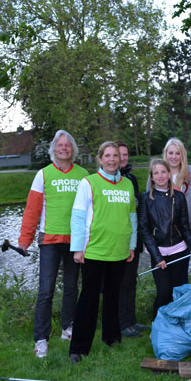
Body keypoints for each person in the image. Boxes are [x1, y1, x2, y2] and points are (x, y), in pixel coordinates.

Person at [18, 130, 88, 358]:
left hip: (75, 240)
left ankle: (68, 328)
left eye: (68, 145)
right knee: (46, 291)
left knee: (71, 288)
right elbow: (32, 210)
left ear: (73, 149)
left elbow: (91, 212)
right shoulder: (43, 175)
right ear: (54, 149)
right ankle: (41, 340)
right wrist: (24, 241)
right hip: (49, 240)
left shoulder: (84, 175)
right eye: (60, 145)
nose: (64, 148)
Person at [68, 141, 137, 363]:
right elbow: (78, 216)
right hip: (94, 251)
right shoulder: (88, 183)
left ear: (120, 159)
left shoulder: (127, 185)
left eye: (115, 155)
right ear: (100, 159)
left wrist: (132, 245)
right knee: (88, 299)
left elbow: (132, 218)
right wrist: (78, 248)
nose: (111, 159)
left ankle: (112, 338)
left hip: (119, 250)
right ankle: (78, 348)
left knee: (113, 296)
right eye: (107, 155)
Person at [140, 159, 191, 316]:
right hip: (159, 254)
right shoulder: (145, 199)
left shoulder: (179, 197)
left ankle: (179, 327)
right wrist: (157, 256)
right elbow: (145, 230)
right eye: (156, 173)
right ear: (152, 177)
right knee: (164, 292)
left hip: (179, 251)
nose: (160, 176)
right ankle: (158, 325)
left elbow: (184, 227)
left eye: (163, 172)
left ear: (169, 174)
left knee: (179, 291)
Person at [114, 140, 148, 338]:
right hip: (119, 238)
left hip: (134, 237)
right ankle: (122, 322)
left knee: (131, 280)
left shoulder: (132, 179)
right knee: (120, 282)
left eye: (126, 154)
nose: (124, 158)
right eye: (120, 154)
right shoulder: (111, 180)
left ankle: (132, 320)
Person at [153, 137, 191, 223]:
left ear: (182, 155)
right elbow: (149, 200)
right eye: (171, 153)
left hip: (185, 226)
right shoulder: (156, 172)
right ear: (165, 154)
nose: (174, 157)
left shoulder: (190, 171)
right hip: (161, 227)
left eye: (178, 153)